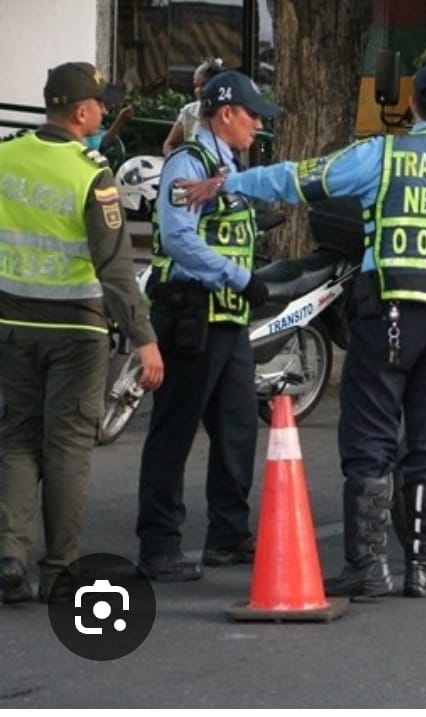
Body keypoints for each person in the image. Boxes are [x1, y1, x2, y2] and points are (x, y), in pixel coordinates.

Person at [180, 62, 426, 599]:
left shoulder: (382, 156)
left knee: (370, 440)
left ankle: (368, 567)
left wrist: (232, 182)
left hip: (389, 322)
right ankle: (424, 567)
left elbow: (301, 180)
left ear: (414, 107)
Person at [0, 62, 164, 604]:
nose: (105, 112)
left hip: (12, 325)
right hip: (75, 329)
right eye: (99, 104)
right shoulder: (91, 174)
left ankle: (9, 557)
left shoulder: (6, 156)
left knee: (17, 440)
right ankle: (60, 569)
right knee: (67, 446)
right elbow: (115, 269)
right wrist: (144, 339)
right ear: (79, 111)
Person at [135, 70, 281, 582]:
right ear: (224, 114)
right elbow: (178, 239)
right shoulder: (187, 162)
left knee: (237, 428)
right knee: (174, 431)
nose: (258, 125)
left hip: (228, 318)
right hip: (192, 312)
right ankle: (158, 545)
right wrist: (239, 276)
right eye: (252, 115)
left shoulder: (227, 166)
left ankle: (228, 533)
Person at [162, 58, 225, 156]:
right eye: (196, 86)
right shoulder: (189, 112)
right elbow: (169, 144)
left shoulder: (229, 114)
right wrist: (175, 162)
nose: (199, 90)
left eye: (204, 85)